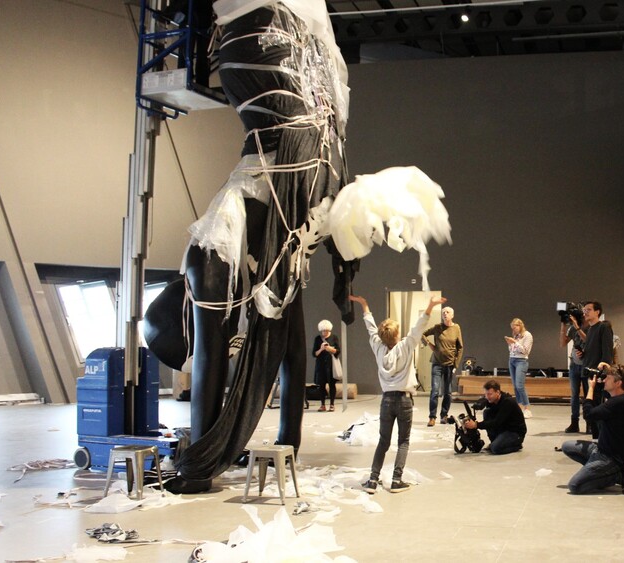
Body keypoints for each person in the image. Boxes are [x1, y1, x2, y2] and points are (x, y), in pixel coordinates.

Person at [150, 1, 354, 493]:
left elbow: (211, 366)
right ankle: (282, 444)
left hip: (296, 152)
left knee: (275, 308)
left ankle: (206, 463)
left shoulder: (211, 258)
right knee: (285, 309)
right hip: (312, 153)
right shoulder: (245, 256)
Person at [349, 293, 445, 494]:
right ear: (396, 335)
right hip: (404, 401)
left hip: (386, 400)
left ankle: (373, 480)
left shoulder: (378, 347)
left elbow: (371, 328)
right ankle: (396, 480)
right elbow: (419, 326)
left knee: (383, 441)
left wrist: (364, 304)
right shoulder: (406, 346)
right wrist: (430, 306)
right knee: (403, 441)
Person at [560, 363, 624, 495]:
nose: (604, 380)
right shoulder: (619, 399)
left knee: (574, 486)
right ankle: (596, 472)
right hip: (600, 449)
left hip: (611, 459)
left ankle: (619, 476)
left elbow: (589, 414)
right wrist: (607, 367)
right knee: (567, 446)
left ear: (618, 383)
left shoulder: (617, 403)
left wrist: (590, 388)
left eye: (608, 378)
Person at [573, 302, 613, 437]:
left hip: (597, 375)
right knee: (590, 407)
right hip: (588, 372)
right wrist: (583, 354)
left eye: (589, 310)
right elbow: (592, 350)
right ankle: (596, 438)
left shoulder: (604, 327)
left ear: (598, 312)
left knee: (596, 408)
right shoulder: (590, 329)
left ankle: (599, 439)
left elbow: (607, 351)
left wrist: (603, 371)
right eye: (584, 310)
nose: (585, 312)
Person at [422, 305, 464, 427]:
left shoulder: (456, 328)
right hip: (437, 363)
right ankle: (432, 417)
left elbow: (460, 347)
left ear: (452, 315)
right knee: (435, 391)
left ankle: (444, 415)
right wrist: (429, 344)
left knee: (448, 392)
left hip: (450, 364)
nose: (445, 314)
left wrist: (456, 364)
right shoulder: (437, 327)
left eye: (447, 312)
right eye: (443, 312)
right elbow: (423, 334)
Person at [463, 379, 526, 455]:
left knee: (495, 449)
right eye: (486, 394)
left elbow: (496, 422)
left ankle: (517, 445)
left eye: (490, 394)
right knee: (487, 412)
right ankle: (495, 441)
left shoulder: (508, 402)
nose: (487, 397)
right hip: (504, 428)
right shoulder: (491, 400)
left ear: (498, 392)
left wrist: (476, 425)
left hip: (515, 432)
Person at [560, 308, 587, 433]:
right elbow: (563, 343)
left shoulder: (589, 326)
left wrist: (576, 326)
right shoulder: (571, 328)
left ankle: (590, 422)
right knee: (574, 395)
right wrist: (563, 325)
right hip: (574, 365)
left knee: (588, 395)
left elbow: (587, 340)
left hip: (587, 365)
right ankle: (574, 422)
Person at [505, 318, 534, 417]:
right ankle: (519, 407)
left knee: (520, 385)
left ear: (520, 325)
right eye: (512, 328)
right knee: (515, 386)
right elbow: (512, 350)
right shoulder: (515, 336)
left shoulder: (527, 335)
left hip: (521, 361)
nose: (514, 329)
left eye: (515, 327)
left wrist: (515, 342)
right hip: (512, 360)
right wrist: (510, 344)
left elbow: (525, 351)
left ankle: (527, 408)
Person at [312, 320, 340, 412]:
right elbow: (314, 354)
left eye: (326, 331)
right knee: (321, 385)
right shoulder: (317, 339)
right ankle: (322, 404)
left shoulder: (334, 337)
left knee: (332, 385)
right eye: (323, 331)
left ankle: (332, 404)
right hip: (321, 365)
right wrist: (321, 349)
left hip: (331, 364)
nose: (324, 333)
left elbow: (338, 351)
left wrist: (330, 349)